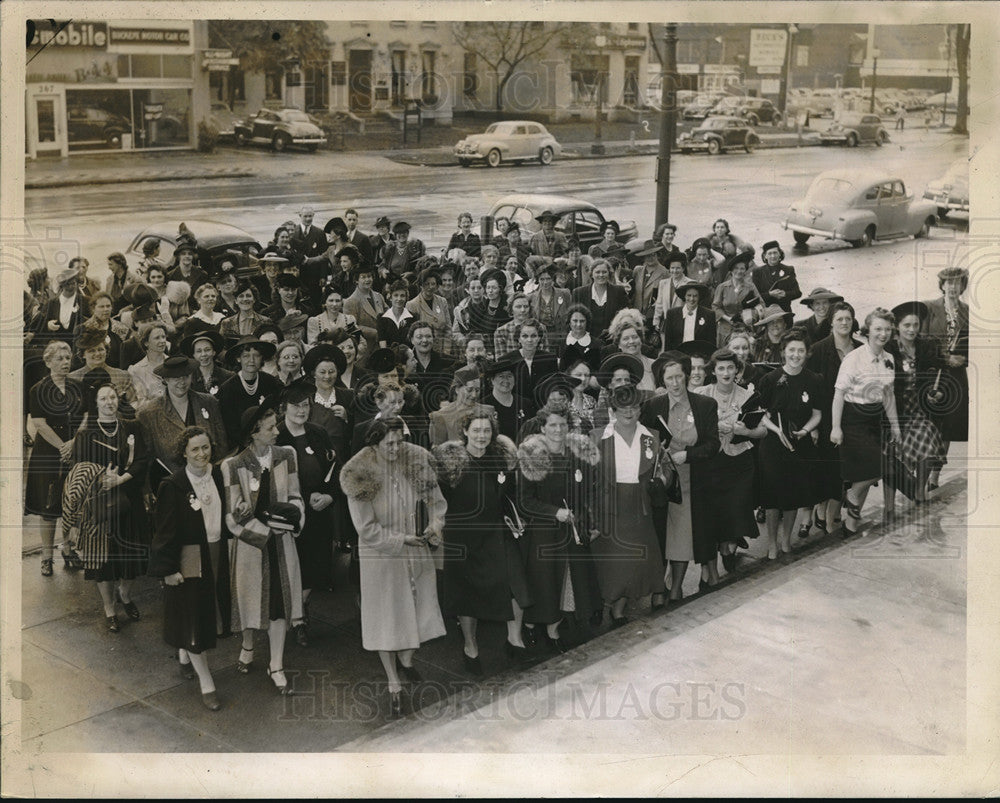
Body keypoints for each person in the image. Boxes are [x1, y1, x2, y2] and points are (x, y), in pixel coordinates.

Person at [340, 419, 447, 717]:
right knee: (387, 617)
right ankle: (393, 681)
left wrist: (433, 526)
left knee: (418, 608)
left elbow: (437, 504)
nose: (396, 448)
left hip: (417, 551)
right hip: (382, 558)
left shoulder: (415, 461)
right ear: (373, 444)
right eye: (389, 444)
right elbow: (366, 528)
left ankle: (408, 659)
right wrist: (402, 540)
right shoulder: (359, 474)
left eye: (399, 441)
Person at [433, 410, 531, 672]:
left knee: (516, 583)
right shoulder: (450, 462)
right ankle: (470, 645)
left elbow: (511, 495)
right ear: (465, 431)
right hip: (463, 535)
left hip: (497, 531)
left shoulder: (501, 459)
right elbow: (439, 501)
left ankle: (514, 638)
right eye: (476, 430)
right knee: (468, 594)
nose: (481, 436)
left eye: (486, 430)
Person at [222, 403, 305, 696]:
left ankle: (277, 664)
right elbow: (232, 516)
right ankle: (247, 646)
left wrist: (293, 521)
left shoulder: (287, 456)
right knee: (249, 599)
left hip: (282, 544)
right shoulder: (233, 465)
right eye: (270, 427)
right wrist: (262, 533)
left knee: (279, 604)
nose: (277, 431)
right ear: (254, 432)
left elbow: (295, 496)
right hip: (251, 547)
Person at [149, 427, 233, 711]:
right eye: (195, 449)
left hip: (218, 551)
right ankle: (207, 682)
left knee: (207, 611)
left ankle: (185, 653)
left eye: (205, 447)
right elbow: (164, 533)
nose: (202, 454)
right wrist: (168, 569)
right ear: (183, 452)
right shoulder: (173, 486)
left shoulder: (219, 476)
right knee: (195, 615)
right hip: (190, 556)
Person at [65, 380, 150, 632]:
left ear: (118, 399)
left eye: (112, 397)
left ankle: (124, 594)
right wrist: (102, 480)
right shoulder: (86, 433)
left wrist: (120, 479)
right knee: (102, 558)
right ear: (96, 404)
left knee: (130, 555)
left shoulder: (132, 426)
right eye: (103, 398)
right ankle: (109, 608)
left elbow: (142, 460)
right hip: (99, 503)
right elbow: (78, 468)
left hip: (129, 499)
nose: (109, 402)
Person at [517, 404, 603, 650]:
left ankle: (555, 630)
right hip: (544, 531)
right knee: (544, 583)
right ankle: (533, 627)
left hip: (573, 528)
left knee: (569, 579)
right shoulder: (532, 457)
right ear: (542, 428)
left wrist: (591, 522)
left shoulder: (578, 455)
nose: (558, 430)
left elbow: (588, 492)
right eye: (552, 425)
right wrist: (555, 512)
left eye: (563, 424)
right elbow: (524, 501)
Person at [639, 351, 721, 601]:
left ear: (686, 376)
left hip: (691, 479)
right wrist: (656, 455)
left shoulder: (705, 405)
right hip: (663, 481)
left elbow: (713, 444)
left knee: (682, 536)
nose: (675, 383)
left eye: (679, 377)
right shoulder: (653, 406)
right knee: (660, 535)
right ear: (662, 381)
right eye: (669, 378)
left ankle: (675, 587)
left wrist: (688, 455)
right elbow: (644, 441)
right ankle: (658, 587)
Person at [590, 384, 668, 623]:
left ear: (640, 410)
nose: (629, 412)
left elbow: (663, 469)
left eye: (634, 406)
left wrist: (662, 479)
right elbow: (588, 476)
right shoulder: (597, 437)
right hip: (608, 504)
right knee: (613, 561)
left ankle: (620, 606)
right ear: (613, 410)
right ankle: (607, 604)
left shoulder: (651, 436)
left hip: (639, 504)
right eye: (623, 407)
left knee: (634, 561)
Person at [276, 381, 338, 648]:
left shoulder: (318, 433)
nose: (301, 410)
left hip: (318, 511)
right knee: (292, 564)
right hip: (290, 514)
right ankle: (297, 618)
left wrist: (328, 495)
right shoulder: (276, 437)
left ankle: (300, 605)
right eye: (295, 406)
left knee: (316, 564)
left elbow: (333, 469)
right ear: (283, 408)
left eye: (305, 405)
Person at [695, 349, 767, 575]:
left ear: (737, 370)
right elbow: (692, 427)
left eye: (730, 367)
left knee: (736, 510)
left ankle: (729, 550)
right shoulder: (702, 393)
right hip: (711, 463)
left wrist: (747, 430)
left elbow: (763, 430)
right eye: (721, 368)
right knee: (715, 514)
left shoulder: (748, 396)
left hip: (739, 463)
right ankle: (716, 559)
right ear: (713, 371)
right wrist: (714, 426)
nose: (726, 372)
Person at [831, 309, 902, 533]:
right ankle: (851, 494)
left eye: (887, 329)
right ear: (868, 330)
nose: (883, 334)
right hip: (853, 418)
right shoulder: (854, 358)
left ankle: (851, 524)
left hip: (875, 418)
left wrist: (895, 426)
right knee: (878, 467)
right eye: (878, 329)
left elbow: (888, 395)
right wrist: (836, 427)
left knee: (868, 472)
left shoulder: (889, 358)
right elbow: (839, 394)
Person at [758, 329, 824, 556]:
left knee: (793, 494)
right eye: (791, 350)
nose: (796, 355)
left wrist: (805, 431)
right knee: (772, 496)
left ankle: (786, 540)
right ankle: (772, 544)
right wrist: (777, 430)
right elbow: (761, 413)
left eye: (801, 350)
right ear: (783, 352)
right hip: (774, 444)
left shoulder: (813, 380)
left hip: (799, 442)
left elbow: (817, 413)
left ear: (807, 354)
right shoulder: (770, 379)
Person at [25, 340, 85, 576]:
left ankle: (69, 550)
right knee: (48, 506)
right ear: (48, 362)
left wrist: (74, 443)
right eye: (59, 359)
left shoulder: (77, 387)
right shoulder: (38, 389)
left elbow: (86, 416)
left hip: (74, 449)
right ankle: (46, 557)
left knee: (73, 503)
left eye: (67, 358)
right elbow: (39, 423)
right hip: (48, 454)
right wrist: (62, 446)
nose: (64, 362)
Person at [806, 302, 863, 533]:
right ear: (831, 322)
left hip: (854, 418)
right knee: (828, 468)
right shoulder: (819, 349)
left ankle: (832, 515)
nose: (844, 323)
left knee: (846, 470)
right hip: (827, 418)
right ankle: (823, 513)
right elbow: (811, 387)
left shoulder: (861, 350)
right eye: (839, 319)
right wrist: (814, 425)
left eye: (848, 319)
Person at [883, 301, 944, 518]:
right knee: (892, 454)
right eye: (907, 325)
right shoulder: (888, 348)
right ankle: (889, 506)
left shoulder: (926, 345)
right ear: (897, 327)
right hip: (893, 409)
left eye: (916, 325)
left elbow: (936, 374)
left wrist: (934, 393)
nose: (912, 329)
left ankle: (919, 490)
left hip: (918, 407)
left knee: (929, 441)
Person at [920, 266, 969, 491]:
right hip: (932, 375)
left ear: (962, 286)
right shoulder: (929, 308)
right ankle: (920, 473)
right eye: (948, 283)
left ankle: (934, 476)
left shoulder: (968, 312)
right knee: (929, 425)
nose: (952, 287)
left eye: (957, 283)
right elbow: (921, 342)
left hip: (955, 377)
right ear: (942, 285)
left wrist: (963, 360)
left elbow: (974, 348)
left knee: (947, 428)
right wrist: (944, 358)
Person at [216, 336, 283, 447]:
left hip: (270, 442)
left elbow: (277, 415)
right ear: (238, 358)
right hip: (240, 446)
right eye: (246, 356)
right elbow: (229, 428)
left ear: (261, 358)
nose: (251, 361)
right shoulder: (228, 389)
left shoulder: (270, 382)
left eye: (256, 355)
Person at [68, 328, 138, 417]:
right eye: (91, 351)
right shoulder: (73, 378)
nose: (97, 354)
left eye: (100, 349)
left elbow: (133, 403)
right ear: (83, 355)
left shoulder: (122, 376)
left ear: (106, 351)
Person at [428, 365, 496, 447]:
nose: (474, 395)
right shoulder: (441, 416)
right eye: (469, 390)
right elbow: (437, 451)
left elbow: (494, 446)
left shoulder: (488, 412)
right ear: (457, 389)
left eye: (477, 390)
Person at [500, 319, 558, 405]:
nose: (529, 340)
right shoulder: (506, 360)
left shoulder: (549, 359)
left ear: (539, 338)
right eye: (525, 336)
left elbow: (553, 388)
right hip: (515, 407)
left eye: (534, 336)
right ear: (519, 339)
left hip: (543, 407)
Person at [712, 252, 764, 347]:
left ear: (745, 271)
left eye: (742, 268)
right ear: (731, 270)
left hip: (745, 329)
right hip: (726, 328)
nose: (739, 271)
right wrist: (728, 318)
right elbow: (715, 307)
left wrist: (752, 315)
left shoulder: (751, 287)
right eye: (736, 268)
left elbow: (761, 305)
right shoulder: (722, 287)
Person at [571, 259, 629, 338]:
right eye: (597, 272)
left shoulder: (618, 291)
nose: (601, 275)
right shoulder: (579, 293)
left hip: (611, 339)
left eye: (604, 272)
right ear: (591, 274)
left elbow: (626, 316)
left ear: (609, 273)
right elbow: (572, 319)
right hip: (586, 339)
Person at [483, 355, 536, 442]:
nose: (506, 380)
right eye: (501, 376)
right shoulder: (484, 405)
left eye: (509, 376)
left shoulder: (525, 403)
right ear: (492, 380)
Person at [34, 267, 90, 349]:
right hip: (59, 348)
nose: (71, 286)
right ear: (62, 285)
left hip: (79, 347)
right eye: (67, 284)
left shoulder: (85, 301)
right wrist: (48, 326)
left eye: (73, 283)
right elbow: (39, 325)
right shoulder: (52, 303)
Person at [406, 268, 454, 356]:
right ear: (421, 285)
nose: (430, 287)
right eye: (427, 284)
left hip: (442, 350)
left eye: (433, 284)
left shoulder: (442, 301)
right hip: (423, 350)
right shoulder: (412, 305)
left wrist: (446, 350)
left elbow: (448, 329)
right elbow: (412, 334)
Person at [605, 310, 656, 391]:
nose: (631, 341)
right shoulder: (612, 369)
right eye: (626, 338)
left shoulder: (654, 365)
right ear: (619, 344)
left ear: (641, 339)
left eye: (635, 337)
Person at [343, 264, 388, 354]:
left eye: (369, 276)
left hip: (383, 344)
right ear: (356, 280)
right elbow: (352, 327)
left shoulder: (379, 296)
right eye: (363, 277)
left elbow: (388, 315)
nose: (367, 280)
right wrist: (375, 333)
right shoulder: (351, 301)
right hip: (366, 348)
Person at [527, 262, 572, 351]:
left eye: (548, 279)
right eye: (542, 279)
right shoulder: (531, 297)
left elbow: (571, 314)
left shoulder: (564, 293)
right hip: (542, 337)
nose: (545, 282)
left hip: (561, 336)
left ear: (553, 279)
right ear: (538, 280)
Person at [74, 291, 124, 369]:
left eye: (108, 306)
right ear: (93, 309)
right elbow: (77, 358)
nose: (106, 309)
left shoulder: (121, 329)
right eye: (101, 307)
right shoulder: (83, 329)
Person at [663, 283, 716, 352]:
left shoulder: (709, 314)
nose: (692, 299)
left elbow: (711, 341)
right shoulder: (672, 313)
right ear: (684, 296)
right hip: (677, 356)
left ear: (699, 297)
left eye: (695, 296)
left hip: (699, 356)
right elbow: (668, 341)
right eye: (689, 295)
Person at [752, 240, 802, 313]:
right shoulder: (758, 272)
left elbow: (797, 292)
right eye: (769, 253)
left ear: (780, 254)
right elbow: (755, 296)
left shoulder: (788, 270)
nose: (773, 256)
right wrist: (769, 294)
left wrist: (785, 294)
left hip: (784, 311)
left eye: (775, 253)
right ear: (765, 256)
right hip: (766, 312)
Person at [494, 292, 547, 359]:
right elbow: (501, 361)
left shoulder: (540, 327)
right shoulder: (501, 332)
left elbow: (545, 357)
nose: (522, 310)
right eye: (518, 307)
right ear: (511, 309)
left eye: (526, 306)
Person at [180, 330, 233, 397]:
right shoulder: (188, 379)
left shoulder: (228, 377)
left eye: (207, 350)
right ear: (194, 355)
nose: (203, 354)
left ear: (214, 352)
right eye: (199, 351)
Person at [127, 323, 170, 404]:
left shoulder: (173, 363)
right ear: (146, 343)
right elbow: (141, 401)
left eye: (163, 337)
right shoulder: (136, 370)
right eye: (157, 338)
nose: (162, 341)